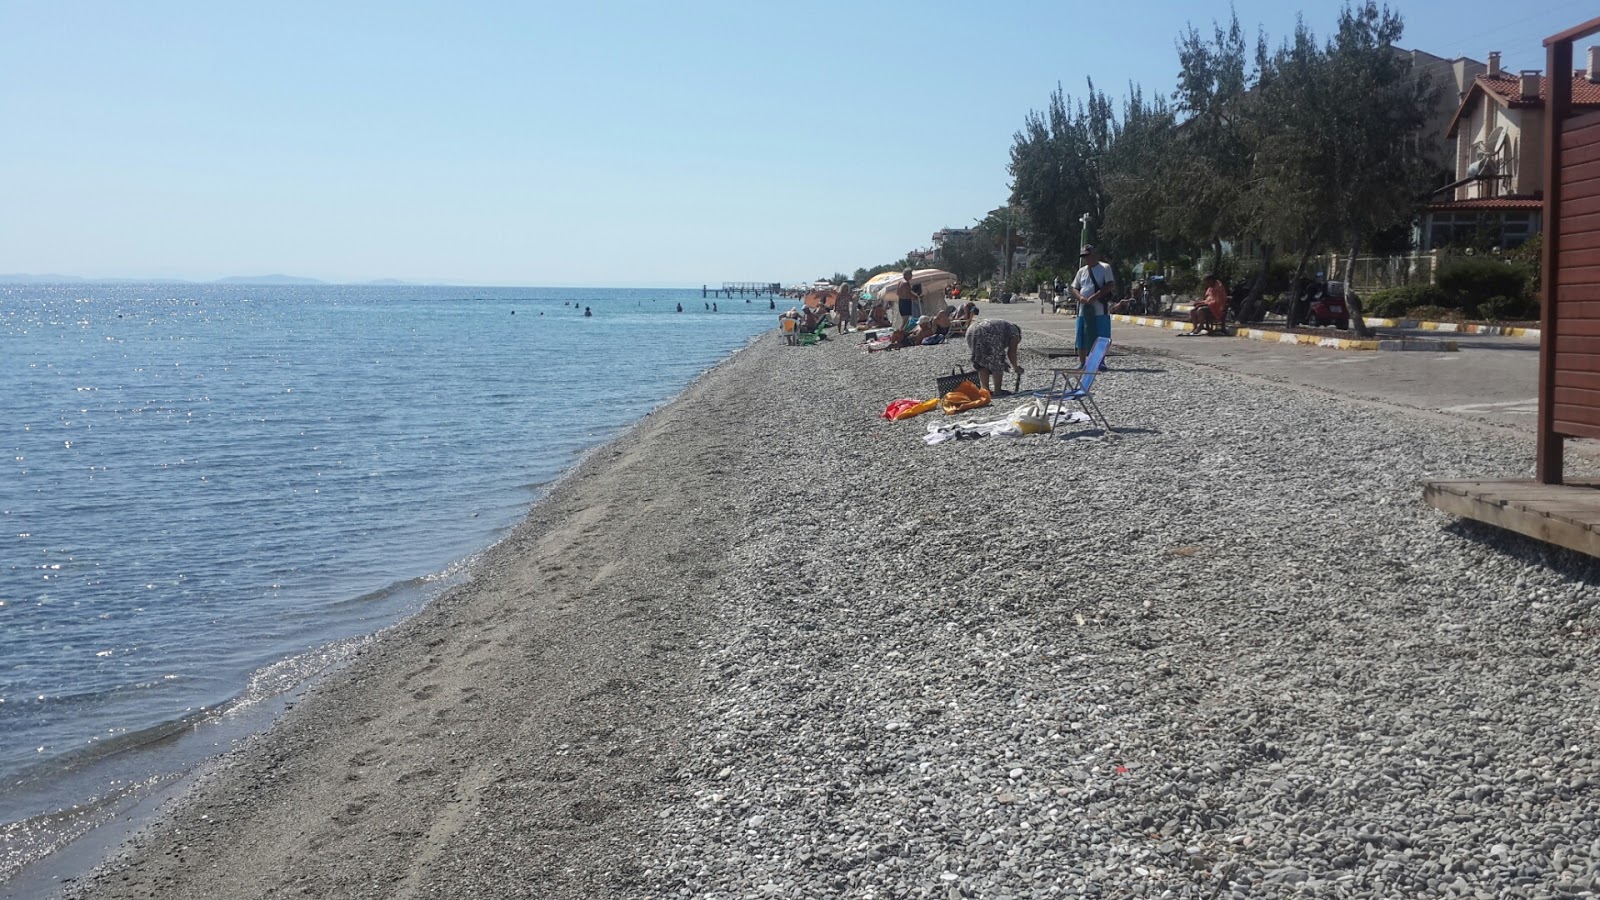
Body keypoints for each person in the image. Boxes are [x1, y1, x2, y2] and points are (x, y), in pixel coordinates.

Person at [1071, 245, 1116, 366]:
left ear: (1094, 254)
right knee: (1081, 334)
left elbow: (1110, 284)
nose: (1087, 259)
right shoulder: (1082, 271)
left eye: (1088, 255)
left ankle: (1100, 362)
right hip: (1084, 309)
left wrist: (1095, 296)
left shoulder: (1104, 268)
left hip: (1100, 309)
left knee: (1100, 335)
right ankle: (1082, 361)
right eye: (1084, 256)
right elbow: (1075, 287)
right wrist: (1080, 297)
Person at [965, 317, 1023, 396]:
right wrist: (1016, 367)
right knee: (998, 360)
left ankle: (985, 390)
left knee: (981, 360)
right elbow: (1011, 353)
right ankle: (997, 390)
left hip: (971, 330)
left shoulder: (1006, 326)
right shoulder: (1015, 333)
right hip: (990, 331)